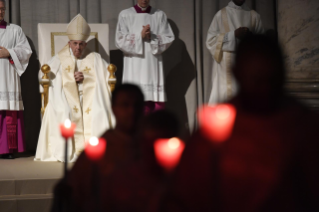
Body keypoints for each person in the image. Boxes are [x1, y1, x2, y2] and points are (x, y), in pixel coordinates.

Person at [162, 35, 319, 211]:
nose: (265, 89)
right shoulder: (215, 129)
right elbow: (187, 192)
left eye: (272, 79)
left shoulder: (305, 125)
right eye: (257, 80)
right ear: (236, 73)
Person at [50, 84, 145, 212]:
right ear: (113, 108)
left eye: (137, 105)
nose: (132, 111)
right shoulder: (98, 150)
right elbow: (75, 190)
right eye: (125, 105)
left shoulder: (150, 147)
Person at [35, 14, 115, 162]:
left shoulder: (95, 58)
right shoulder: (59, 58)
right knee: (64, 111)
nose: (78, 47)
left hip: (90, 97)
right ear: (69, 43)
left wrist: (87, 77)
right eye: (75, 43)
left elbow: (107, 76)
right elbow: (43, 75)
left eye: (81, 44)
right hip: (66, 96)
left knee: (100, 110)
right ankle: (69, 151)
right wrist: (68, 79)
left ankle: (95, 149)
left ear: (85, 44)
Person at [115, 0, 175, 113]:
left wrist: (151, 37)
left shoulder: (159, 15)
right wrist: (139, 36)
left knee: (155, 103)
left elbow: (168, 37)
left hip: (153, 62)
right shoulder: (125, 14)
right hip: (133, 63)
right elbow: (119, 40)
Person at [206, 0, 264, 104]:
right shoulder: (221, 14)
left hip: (248, 64)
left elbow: (263, 44)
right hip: (226, 66)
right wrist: (233, 34)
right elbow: (210, 41)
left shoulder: (254, 16)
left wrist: (251, 37)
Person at [0, 0, 32, 159]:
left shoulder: (15, 30)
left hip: (8, 77)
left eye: (2, 9)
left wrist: (9, 53)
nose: (0, 12)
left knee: (9, 113)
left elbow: (26, 51)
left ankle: (8, 149)